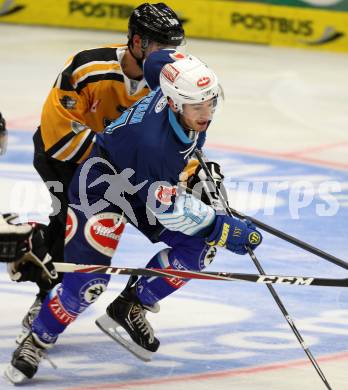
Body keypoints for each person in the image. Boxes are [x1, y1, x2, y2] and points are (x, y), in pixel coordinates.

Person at [4, 50, 262, 384]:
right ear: (172, 103)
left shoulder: (172, 85)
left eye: (211, 102)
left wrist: (183, 66)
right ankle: (36, 340)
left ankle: (131, 304)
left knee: (197, 251)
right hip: (101, 191)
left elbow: (157, 61)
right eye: (196, 106)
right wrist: (223, 228)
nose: (206, 113)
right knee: (87, 285)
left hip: (143, 184)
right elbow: (170, 209)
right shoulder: (154, 147)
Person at [8, 2, 185, 342]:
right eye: (161, 47)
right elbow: (58, 135)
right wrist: (119, 162)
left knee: (183, 226)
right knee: (68, 227)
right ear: (137, 42)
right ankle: (46, 288)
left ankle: (132, 303)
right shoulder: (87, 68)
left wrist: (190, 173)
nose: (169, 57)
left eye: (173, 48)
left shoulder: (170, 84)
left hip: (118, 170)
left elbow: (176, 138)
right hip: (64, 160)